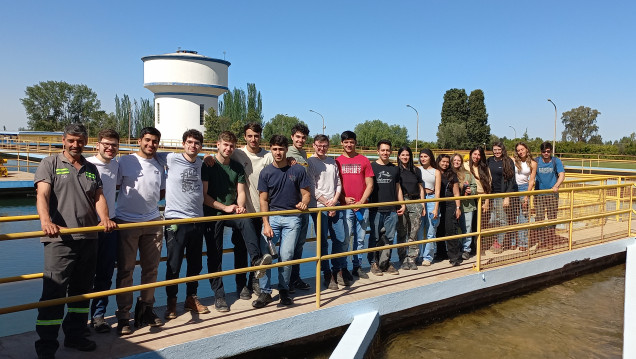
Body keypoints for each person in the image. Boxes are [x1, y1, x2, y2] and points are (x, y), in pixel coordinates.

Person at [34, 123, 115, 358]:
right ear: (63, 140)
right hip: (59, 239)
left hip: (89, 238)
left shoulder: (91, 168)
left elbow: (98, 196)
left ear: (86, 141)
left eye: (80, 141)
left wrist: (105, 218)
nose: (75, 144)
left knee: (81, 292)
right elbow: (43, 194)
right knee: (54, 292)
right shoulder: (50, 163)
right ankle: (47, 346)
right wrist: (46, 221)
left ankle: (75, 336)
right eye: (71, 140)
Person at [202, 131, 272, 312]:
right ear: (217, 145)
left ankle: (256, 261)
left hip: (231, 211)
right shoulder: (208, 165)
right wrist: (224, 207)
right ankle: (219, 295)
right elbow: (205, 196)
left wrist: (240, 206)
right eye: (225, 145)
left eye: (231, 146)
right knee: (215, 255)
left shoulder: (237, 166)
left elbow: (241, 192)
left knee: (245, 220)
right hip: (213, 213)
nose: (228, 148)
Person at [115, 127, 165, 335]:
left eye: (154, 141)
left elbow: (160, 191)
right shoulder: (125, 162)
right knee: (126, 270)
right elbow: (113, 186)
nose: (150, 144)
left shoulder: (159, 164)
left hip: (153, 221)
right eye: (147, 140)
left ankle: (146, 309)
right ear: (139, 141)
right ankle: (124, 316)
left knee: (151, 269)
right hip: (127, 222)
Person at [157, 129, 209, 320]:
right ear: (183, 143)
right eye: (189, 142)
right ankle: (171, 302)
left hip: (197, 219)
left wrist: (208, 157)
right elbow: (148, 153)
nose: (192, 146)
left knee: (195, 263)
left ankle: (191, 298)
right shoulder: (170, 158)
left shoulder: (202, 163)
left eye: (196, 143)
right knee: (174, 263)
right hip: (175, 220)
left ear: (200, 146)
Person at [254, 135, 311, 308]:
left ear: (287, 149)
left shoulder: (298, 170)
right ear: (271, 149)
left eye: (281, 149)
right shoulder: (266, 172)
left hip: (293, 219)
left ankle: (284, 290)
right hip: (272, 218)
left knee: (286, 256)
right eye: (275, 149)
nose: (278, 152)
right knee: (266, 257)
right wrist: (266, 223)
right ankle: (265, 292)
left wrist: (304, 202)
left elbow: (306, 194)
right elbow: (263, 200)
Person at [229, 123, 273, 299]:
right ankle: (241, 286)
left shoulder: (267, 157)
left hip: (261, 213)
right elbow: (220, 154)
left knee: (261, 252)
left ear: (260, 136)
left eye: (256, 136)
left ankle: (254, 281)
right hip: (243, 214)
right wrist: (208, 157)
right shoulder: (238, 153)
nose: (253, 139)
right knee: (240, 251)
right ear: (245, 137)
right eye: (250, 136)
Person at [87, 129, 120, 333]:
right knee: (83, 274)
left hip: (110, 225)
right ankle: (78, 317)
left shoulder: (117, 164)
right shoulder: (87, 165)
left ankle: (98, 316)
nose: (110, 148)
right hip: (88, 225)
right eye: (106, 144)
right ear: (97, 144)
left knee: (105, 272)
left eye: (114, 145)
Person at [307, 134, 347, 289]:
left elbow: (338, 182)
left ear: (328, 146)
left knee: (341, 238)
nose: (321, 148)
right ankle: (327, 273)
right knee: (323, 242)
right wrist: (326, 203)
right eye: (319, 145)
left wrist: (335, 200)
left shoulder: (332, 162)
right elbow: (311, 187)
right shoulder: (310, 162)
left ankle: (338, 270)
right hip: (319, 208)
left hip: (334, 205)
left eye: (324, 146)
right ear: (314, 145)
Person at [336, 131, 374, 280]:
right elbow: (334, 185)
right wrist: (344, 198)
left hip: (362, 207)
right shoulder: (337, 161)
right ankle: (343, 268)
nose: (348, 145)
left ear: (355, 143)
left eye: (351, 142)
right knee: (346, 238)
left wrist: (361, 201)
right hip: (345, 207)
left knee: (360, 239)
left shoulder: (364, 160)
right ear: (341, 143)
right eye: (346, 142)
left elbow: (370, 184)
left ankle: (357, 266)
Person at [368, 140, 404, 275]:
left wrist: (402, 204)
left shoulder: (394, 169)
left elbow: (398, 188)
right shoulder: (371, 167)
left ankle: (385, 263)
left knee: (389, 238)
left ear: (391, 152)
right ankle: (374, 263)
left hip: (391, 210)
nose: (385, 153)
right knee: (375, 237)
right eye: (382, 150)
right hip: (376, 210)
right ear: (378, 151)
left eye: (387, 150)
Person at [286, 123, 312, 292]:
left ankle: (295, 278)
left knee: (299, 246)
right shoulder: (287, 153)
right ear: (292, 137)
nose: (301, 140)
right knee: (287, 249)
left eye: (303, 137)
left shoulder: (303, 154)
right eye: (298, 137)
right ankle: (285, 282)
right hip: (291, 208)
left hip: (304, 207)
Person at [395, 146, 424, 270]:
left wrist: (422, 204)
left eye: (407, 155)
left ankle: (412, 258)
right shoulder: (396, 170)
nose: (405, 157)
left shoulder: (416, 170)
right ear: (399, 156)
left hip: (415, 201)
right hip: (402, 202)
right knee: (401, 232)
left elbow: (421, 187)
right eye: (403, 155)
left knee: (414, 232)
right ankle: (403, 258)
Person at [487, 142, 518, 254]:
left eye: (499, 149)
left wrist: (507, 196)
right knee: (493, 220)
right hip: (491, 195)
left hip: (501, 195)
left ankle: (499, 243)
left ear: (502, 150)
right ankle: (494, 240)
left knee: (502, 220)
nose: (497, 152)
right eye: (495, 149)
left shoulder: (508, 161)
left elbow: (511, 180)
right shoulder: (489, 160)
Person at [534, 141, 565, 248]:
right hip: (539, 194)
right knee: (539, 218)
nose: (546, 153)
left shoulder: (556, 161)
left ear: (551, 151)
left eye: (548, 151)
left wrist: (556, 185)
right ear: (541, 152)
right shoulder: (536, 161)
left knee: (552, 217)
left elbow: (561, 175)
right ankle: (541, 240)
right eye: (544, 151)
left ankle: (550, 240)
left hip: (552, 194)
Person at [436, 154, 462, 266]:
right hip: (437, 204)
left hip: (450, 204)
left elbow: (456, 193)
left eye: (447, 162)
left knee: (450, 230)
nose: (445, 164)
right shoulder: (435, 172)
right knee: (439, 230)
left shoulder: (452, 175)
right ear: (438, 161)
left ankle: (454, 257)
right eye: (443, 161)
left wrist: (458, 208)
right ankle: (441, 253)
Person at [417, 149, 441, 266]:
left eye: (425, 156)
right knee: (419, 230)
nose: (423, 159)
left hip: (431, 199)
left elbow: (437, 191)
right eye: (421, 156)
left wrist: (436, 207)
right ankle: (419, 255)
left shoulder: (436, 172)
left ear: (430, 157)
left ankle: (428, 257)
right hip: (420, 199)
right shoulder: (418, 170)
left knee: (431, 230)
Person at [451, 153, 478, 260]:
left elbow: (474, 187)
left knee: (467, 228)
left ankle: (466, 249)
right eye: (455, 160)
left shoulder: (468, 174)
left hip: (467, 205)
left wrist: (471, 190)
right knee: (454, 228)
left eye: (459, 160)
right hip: (453, 206)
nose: (457, 162)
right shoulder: (449, 173)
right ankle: (455, 249)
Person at [513, 142, 537, 251]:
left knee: (523, 216)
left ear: (527, 149)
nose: (520, 152)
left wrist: (527, 196)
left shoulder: (532, 163)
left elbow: (531, 180)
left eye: (522, 149)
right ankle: (513, 241)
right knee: (513, 216)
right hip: (513, 188)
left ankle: (524, 242)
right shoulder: (513, 160)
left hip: (524, 188)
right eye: (518, 150)